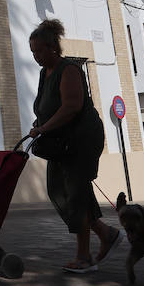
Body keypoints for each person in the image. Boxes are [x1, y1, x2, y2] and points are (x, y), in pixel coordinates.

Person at [27, 19, 122, 273]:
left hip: (80, 140)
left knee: (77, 194)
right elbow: (48, 106)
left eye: (38, 51)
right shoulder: (43, 73)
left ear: (52, 48)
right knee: (59, 190)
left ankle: (84, 257)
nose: (35, 56)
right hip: (61, 142)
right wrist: (40, 121)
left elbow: (71, 107)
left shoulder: (68, 69)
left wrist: (44, 128)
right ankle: (107, 234)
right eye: (32, 51)